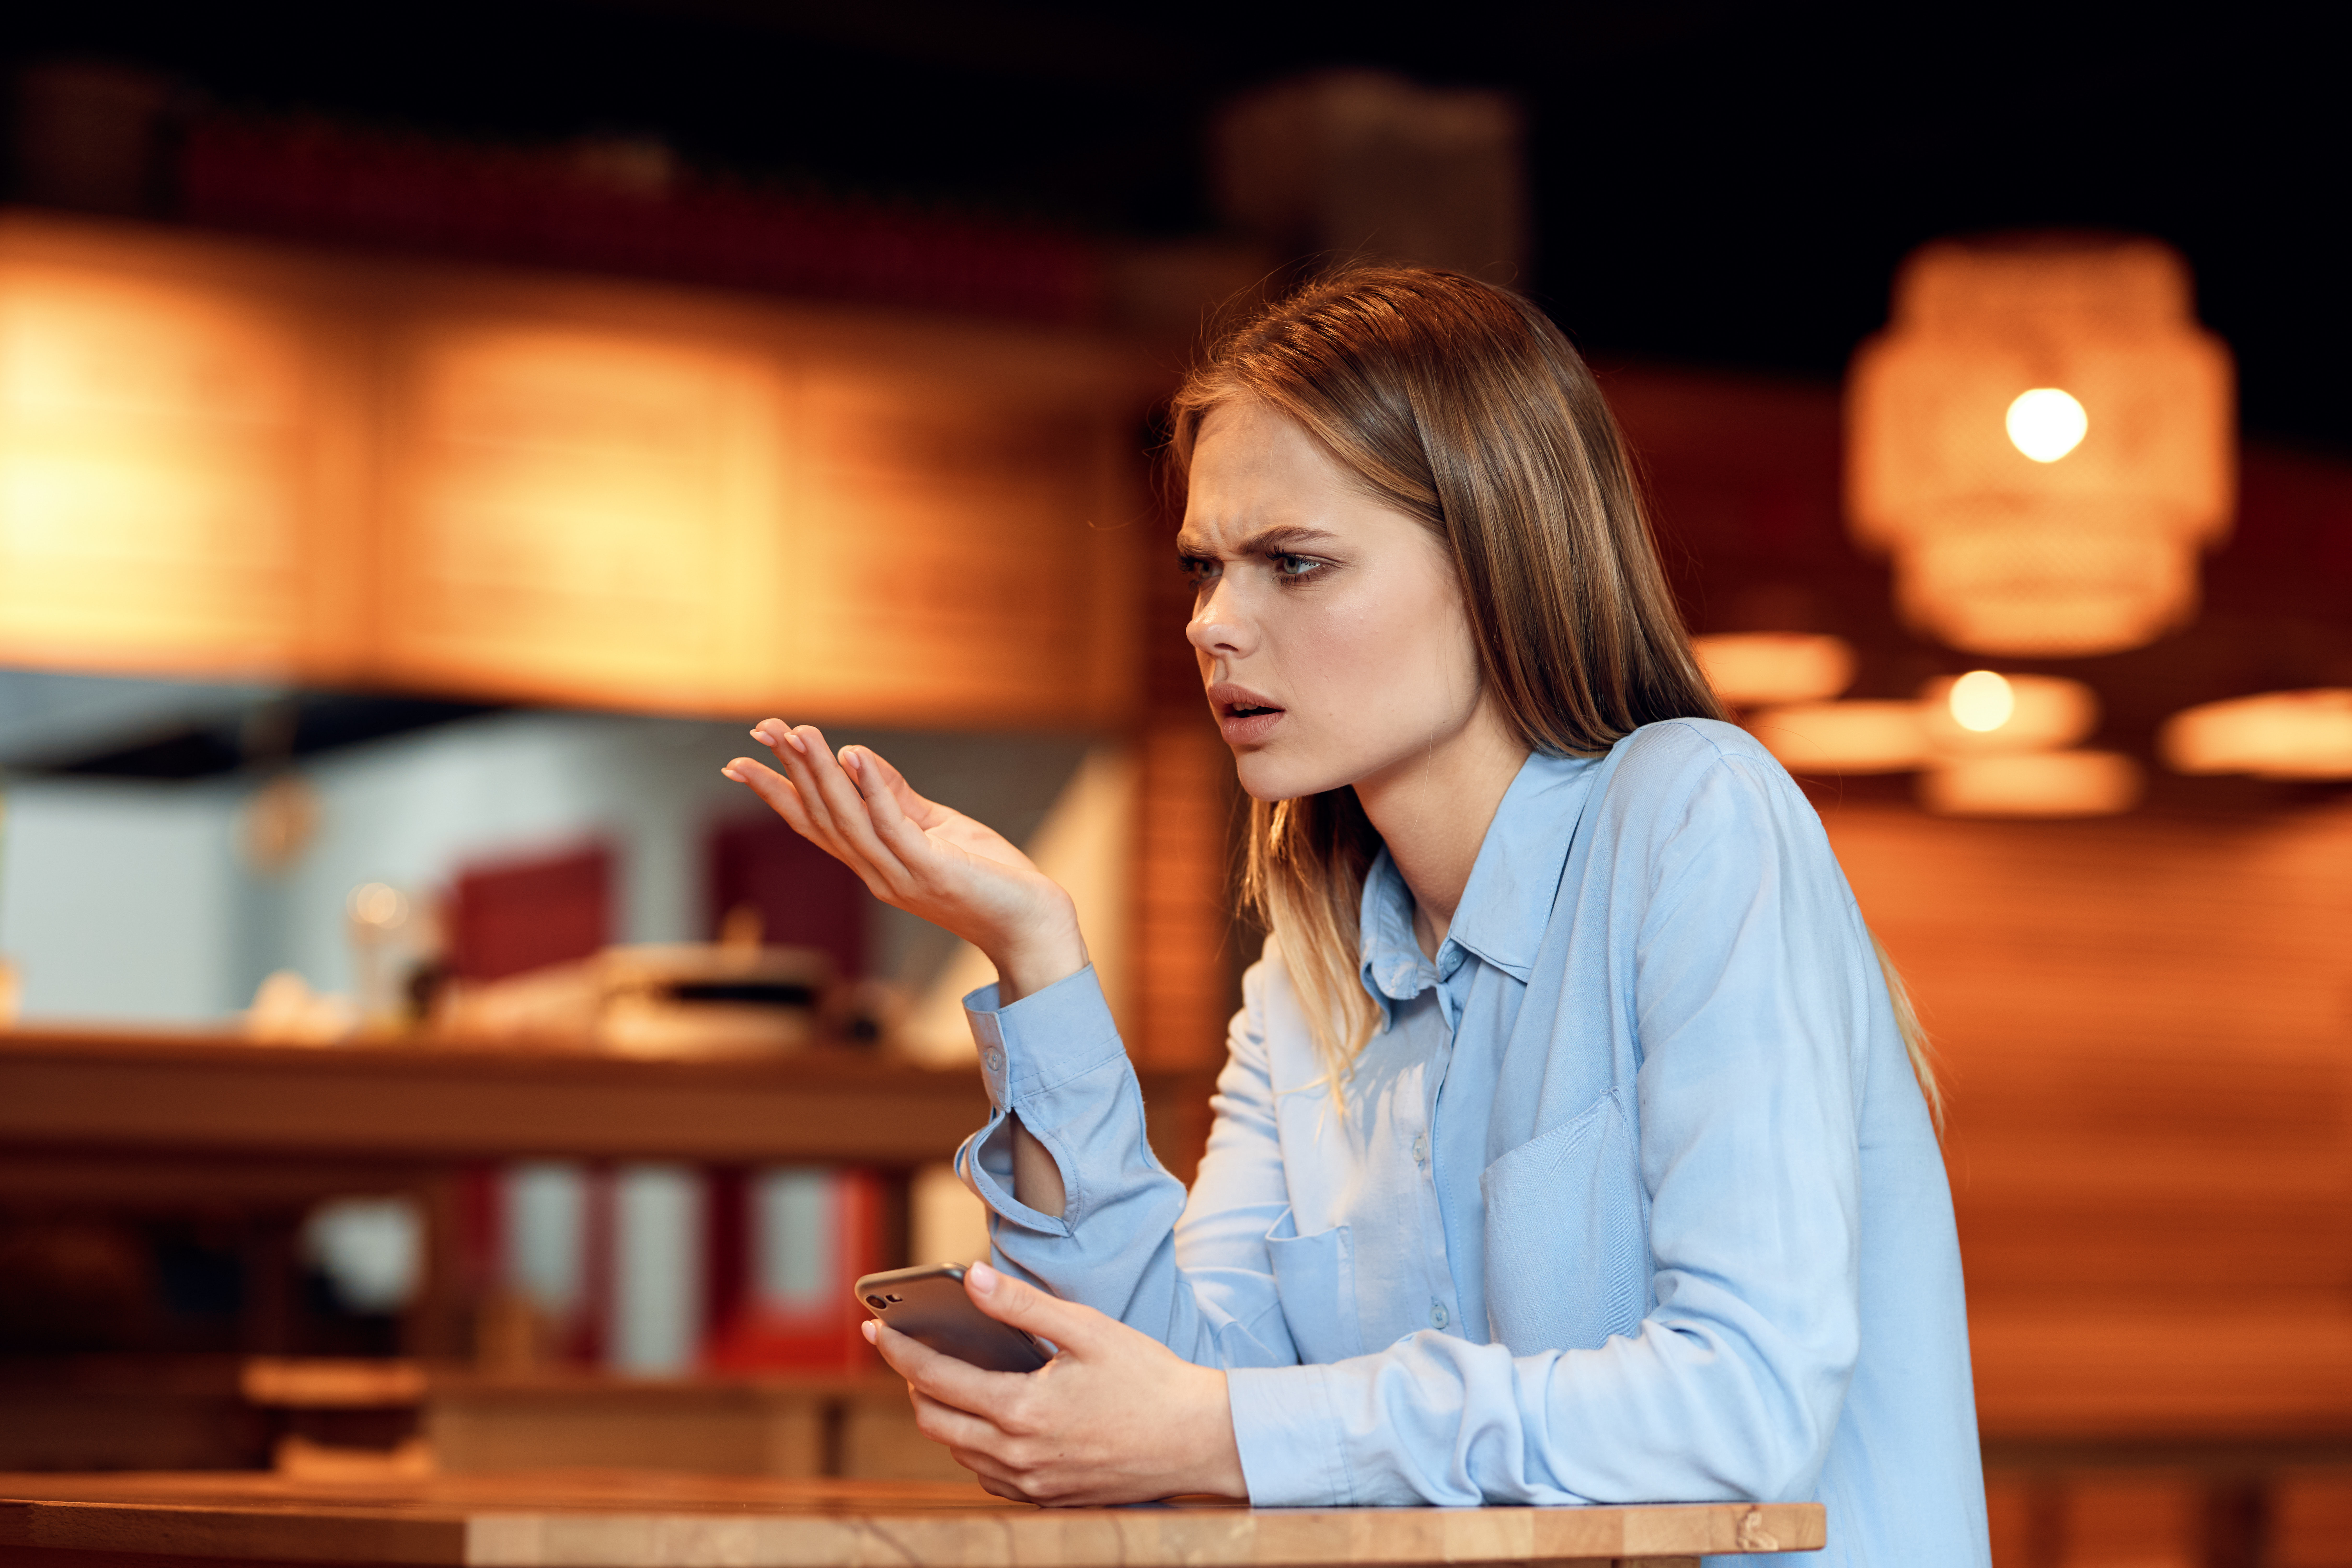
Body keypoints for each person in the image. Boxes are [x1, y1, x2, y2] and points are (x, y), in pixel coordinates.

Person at [722, 267, 1988, 1567]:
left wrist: (1218, 1432)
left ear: (1497, 564)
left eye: (1295, 563)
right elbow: (1171, 1406)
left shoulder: (1692, 818)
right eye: (1207, 568)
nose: (1217, 623)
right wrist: (1035, 954)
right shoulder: (1309, 980)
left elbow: (1746, 1410)